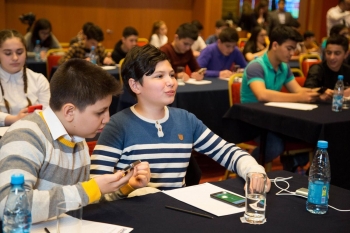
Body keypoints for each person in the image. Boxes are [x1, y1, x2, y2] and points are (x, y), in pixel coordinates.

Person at [90, 44, 271, 192]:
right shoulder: (118, 125)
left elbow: (228, 152)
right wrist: (128, 187)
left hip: (177, 213)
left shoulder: (186, 120)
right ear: (135, 85)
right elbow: (96, 186)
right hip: (134, 215)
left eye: (171, 75)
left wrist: (254, 170)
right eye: (159, 76)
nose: (171, 82)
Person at [0, 58, 151, 223]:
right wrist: (92, 188)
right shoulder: (25, 136)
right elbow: (11, 207)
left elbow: (79, 200)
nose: (107, 119)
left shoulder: (76, 137)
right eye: (100, 112)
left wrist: (125, 186)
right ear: (70, 111)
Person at [241, 25, 319, 169]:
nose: (292, 53)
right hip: (251, 121)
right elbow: (262, 95)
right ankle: (243, 165)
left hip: (272, 120)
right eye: (289, 48)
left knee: (310, 134)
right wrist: (299, 97)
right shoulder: (256, 66)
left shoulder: (284, 67)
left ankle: (293, 167)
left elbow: (298, 91)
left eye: (293, 49)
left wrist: (319, 93)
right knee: (274, 147)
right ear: (275, 45)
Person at [0, 29, 50, 126]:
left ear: (26, 52)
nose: (15, 58)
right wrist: (13, 119)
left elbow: (48, 113)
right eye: (8, 53)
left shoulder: (39, 80)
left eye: (19, 52)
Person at [304, 35, 350, 101]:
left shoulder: (348, 70)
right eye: (329, 53)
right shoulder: (317, 69)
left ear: (346, 54)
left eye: (337, 53)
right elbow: (307, 91)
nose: (332, 57)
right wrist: (341, 93)